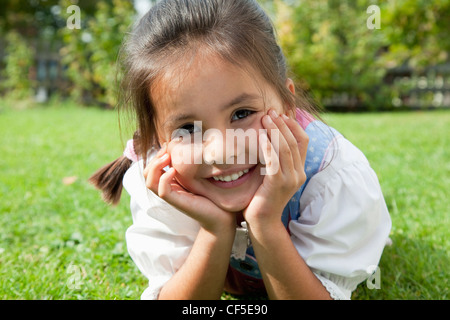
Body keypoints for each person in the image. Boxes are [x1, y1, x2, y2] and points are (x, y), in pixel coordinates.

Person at [89, 0, 391, 300]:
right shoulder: (161, 181)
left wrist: (265, 222)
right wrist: (214, 231)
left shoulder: (331, 175)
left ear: (287, 104)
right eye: (188, 129)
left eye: (242, 113)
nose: (221, 152)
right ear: (158, 137)